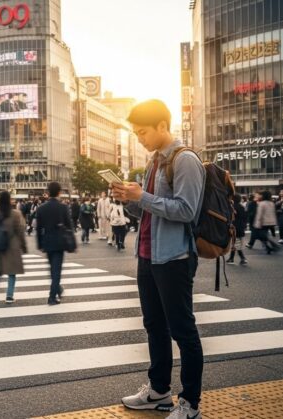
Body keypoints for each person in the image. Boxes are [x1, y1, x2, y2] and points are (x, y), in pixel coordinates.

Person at [112, 99, 205, 418]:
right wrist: (128, 199)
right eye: (136, 133)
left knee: (182, 329)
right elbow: (147, 211)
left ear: (163, 126)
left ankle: (190, 403)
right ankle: (158, 390)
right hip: (148, 254)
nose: (140, 138)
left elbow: (186, 210)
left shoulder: (186, 160)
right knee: (154, 325)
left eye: (143, 132)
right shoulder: (153, 161)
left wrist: (144, 197)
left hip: (175, 256)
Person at [35, 181, 71, 305]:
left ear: (48, 192)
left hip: (47, 242)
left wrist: (39, 243)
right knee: (56, 271)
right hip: (59, 242)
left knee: (53, 269)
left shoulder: (41, 208)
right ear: (59, 192)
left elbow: (38, 228)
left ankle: (58, 289)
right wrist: (72, 244)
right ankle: (52, 296)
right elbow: (69, 226)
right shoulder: (63, 207)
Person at [0, 191, 27, 304]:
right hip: (12, 245)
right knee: (12, 272)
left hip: (0, 244)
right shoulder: (16, 214)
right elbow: (20, 231)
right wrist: (23, 246)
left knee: (1, 267)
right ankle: (9, 295)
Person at [227, 193, 248, 265]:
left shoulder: (232, 207)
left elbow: (231, 217)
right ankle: (231, 258)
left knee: (236, 243)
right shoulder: (242, 207)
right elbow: (245, 217)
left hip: (235, 227)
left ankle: (243, 258)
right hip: (241, 227)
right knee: (235, 242)